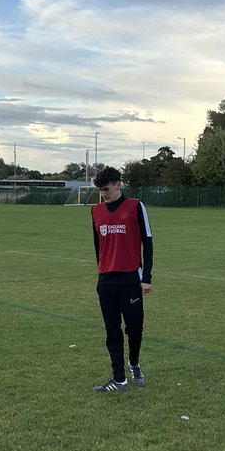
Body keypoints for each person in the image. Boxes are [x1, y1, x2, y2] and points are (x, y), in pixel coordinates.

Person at [90, 166, 153, 392]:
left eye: (106, 189)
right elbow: (97, 245)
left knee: (134, 329)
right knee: (112, 331)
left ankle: (134, 364)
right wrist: (102, 271)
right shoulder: (96, 211)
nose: (103, 194)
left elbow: (147, 241)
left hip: (131, 280)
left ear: (118, 184)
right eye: (100, 190)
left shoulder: (136, 206)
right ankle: (119, 379)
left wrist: (146, 276)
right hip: (106, 281)